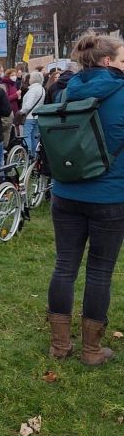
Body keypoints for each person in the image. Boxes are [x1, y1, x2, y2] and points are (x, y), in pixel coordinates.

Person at [46, 33, 124, 365]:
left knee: (64, 266)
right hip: (110, 197)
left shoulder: (66, 90)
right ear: (107, 61)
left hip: (65, 192)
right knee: (99, 272)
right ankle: (91, 350)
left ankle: (59, 346)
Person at [18, 71, 45, 153]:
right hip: (37, 116)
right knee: (35, 138)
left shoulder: (32, 90)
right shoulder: (42, 89)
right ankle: (34, 156)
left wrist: (21, 111)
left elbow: (28, 105)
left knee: (26, 137)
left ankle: (27, 154)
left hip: (29, 117)